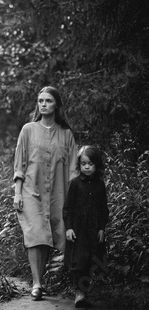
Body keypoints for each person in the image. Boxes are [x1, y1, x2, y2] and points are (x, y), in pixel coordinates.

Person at [13, 86, 78, 300]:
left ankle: (41, 281)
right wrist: (18, 193)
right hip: (32, 191)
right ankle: (37, 283)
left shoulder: (66, 134)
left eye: (48, 100)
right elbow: (20, 164)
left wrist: (73, 197)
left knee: (49, 234)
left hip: (59, 193)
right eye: (40, 100)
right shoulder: (28, 130)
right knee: (35, 235)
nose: (43, 104)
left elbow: (72, 168)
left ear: (56, 104)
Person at [63, 145, 109, 308]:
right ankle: (79, 292)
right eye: (83, 164)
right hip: (78, 230)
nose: (87, 167)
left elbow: (104, 208)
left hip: (94, 230)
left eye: (90, 163)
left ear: (97, 165)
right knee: (78, 260)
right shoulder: (75, 184)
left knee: (92, 259)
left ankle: (85, 290)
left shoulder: (99, 185)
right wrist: (68, 227)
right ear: (79, 165)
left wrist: (102, 228)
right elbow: (68, 208)